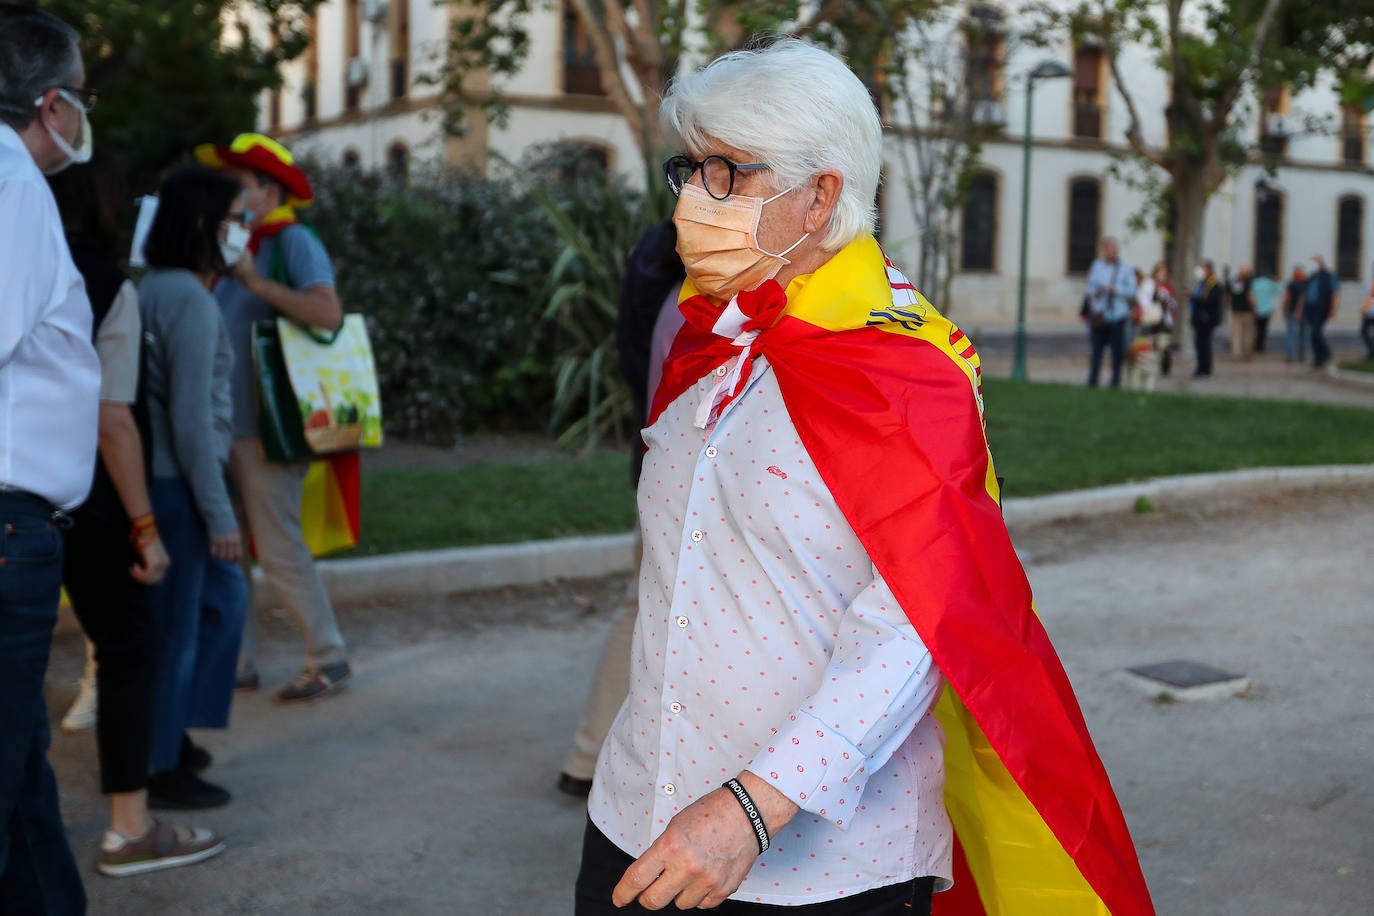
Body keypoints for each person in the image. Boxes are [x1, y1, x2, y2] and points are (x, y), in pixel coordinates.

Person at [575, 40, 1154, 916]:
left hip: (816, 867)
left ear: (821, 195)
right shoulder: (714, 340)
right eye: (689, 168)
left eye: (729, 172)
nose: (696, 198)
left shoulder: (906, 373)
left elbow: (917, 629)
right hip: (633, 815)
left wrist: (749, 809)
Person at [49, 154, 226, 875]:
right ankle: (132, 821)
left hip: (34, 498)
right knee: (134, 651)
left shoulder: (37, 275)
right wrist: (147, 528)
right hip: (99, 499)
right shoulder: (110, 287)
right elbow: (116, 421)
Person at [0, 5, 101, 911]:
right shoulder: (6, 179)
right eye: (79, 95)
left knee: (23, 779)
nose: (81, 116)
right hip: (6, 520)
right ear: (47, 102)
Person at [195, 133, 351, 703]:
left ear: (268, 190)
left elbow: (327, 313)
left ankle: (329, 657)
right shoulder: (234, 242)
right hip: (224, 424)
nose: (228, 195)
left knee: (279, 549)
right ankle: (238, 663)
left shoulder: (293, 240)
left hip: (267, 427)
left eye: (238, 184)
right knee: (227, 548)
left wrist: (255, 281)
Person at [558, 221, 685, 798]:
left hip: (658, 464)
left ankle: (588, 757)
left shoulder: (655, 276)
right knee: (646, 611)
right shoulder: (693, 306)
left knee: (645, 609)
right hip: (678, 476)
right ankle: (590, 757)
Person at [138, 165, 250, 810]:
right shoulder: (190, 299)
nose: (243, 231)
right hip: (179, 490)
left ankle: (171, 739)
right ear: (205, 224)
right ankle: (161, 763)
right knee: (186, 629)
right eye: (235, 218)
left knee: (206, 613)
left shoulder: (161, 287)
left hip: (170, 485)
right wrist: (220, 515)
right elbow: (191, 421)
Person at [1082, 236, 1137, 387]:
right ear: (1103, 250)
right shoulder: (1096, 266)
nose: (1112, 252)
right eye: (1109, 249)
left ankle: (1115, 381)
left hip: (1117, 315)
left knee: (1116, 351)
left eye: (1115, 249)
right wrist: (1098, 292)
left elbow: (1132, 291)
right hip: (1100, 316)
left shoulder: (1125, 268)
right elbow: (1090, 290)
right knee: (1096, 351)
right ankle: (1093, 380)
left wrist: (1116, 290)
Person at [1128, 261, 1174, 392]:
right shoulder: (1149, 284)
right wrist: (1153, 311)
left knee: (1155, 358)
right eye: (1160, 271)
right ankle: (1135, 386)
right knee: (1141, 357)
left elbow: (1170, 305)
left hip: (1161, 326)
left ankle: (1149, 387)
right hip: (1147, 325)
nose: (1163, 274)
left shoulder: (1166, 287)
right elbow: (1143, 302)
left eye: (1165, 271)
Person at [1303, 254, 1339, 369]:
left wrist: (1332, 309)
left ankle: (1325, 353)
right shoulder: (1312, 276)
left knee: (1316, 332)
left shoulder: (1329, 276)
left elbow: (1334, 293)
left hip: (1321, 308)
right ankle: (1319, 358)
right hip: (1310, 308)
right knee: (1313, 334)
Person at [1189, 260, 1223, 377]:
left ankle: (1205, 369)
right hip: (1199, 318)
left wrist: (1193, 298)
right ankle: (1201, 367)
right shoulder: (1202, 283)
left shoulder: (1213, 284)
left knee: (1204, 344)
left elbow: (1210, 300)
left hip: (1206, 318)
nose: (1199, 271)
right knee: (1199, 344)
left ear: (1208, 270)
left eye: (1202, 268)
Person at [1226, 264, 1255, 360]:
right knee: (1247, 333)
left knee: (1236, 333)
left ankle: (1236, 354)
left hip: (1236, 310)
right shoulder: (1248, 282)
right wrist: (1254, 308)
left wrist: (1231, 305)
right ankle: (1247, 353)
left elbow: (1229, 296)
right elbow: (1250, 296)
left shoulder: (1234, 281)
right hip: (1247, 310)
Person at [1283, 264, 1309, 363]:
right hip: (1304, 312)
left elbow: (1288, 298)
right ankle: (1301, 356)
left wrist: (1287, 310)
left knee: (1291, 334)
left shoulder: (1292, 283)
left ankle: (1290, 356)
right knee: (1303, 334)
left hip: (1294, 311)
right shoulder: (1306, 283)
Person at [1251, 269, 1282, 354]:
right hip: (1266, 309)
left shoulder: (1254, 283)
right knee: (1263, 329)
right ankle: (1261, 346)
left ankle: (1255, 344)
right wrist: (1277, 281)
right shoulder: (1269, 283)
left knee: (1256, 328)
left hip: (1256, 309)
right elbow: (1280, 290)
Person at [1362, 267, 1374, 360]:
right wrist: (1364, 309)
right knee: (1364, 332)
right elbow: (1367, 298)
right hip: (1369, 312)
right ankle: (1371, 351)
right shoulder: (1369, 284)